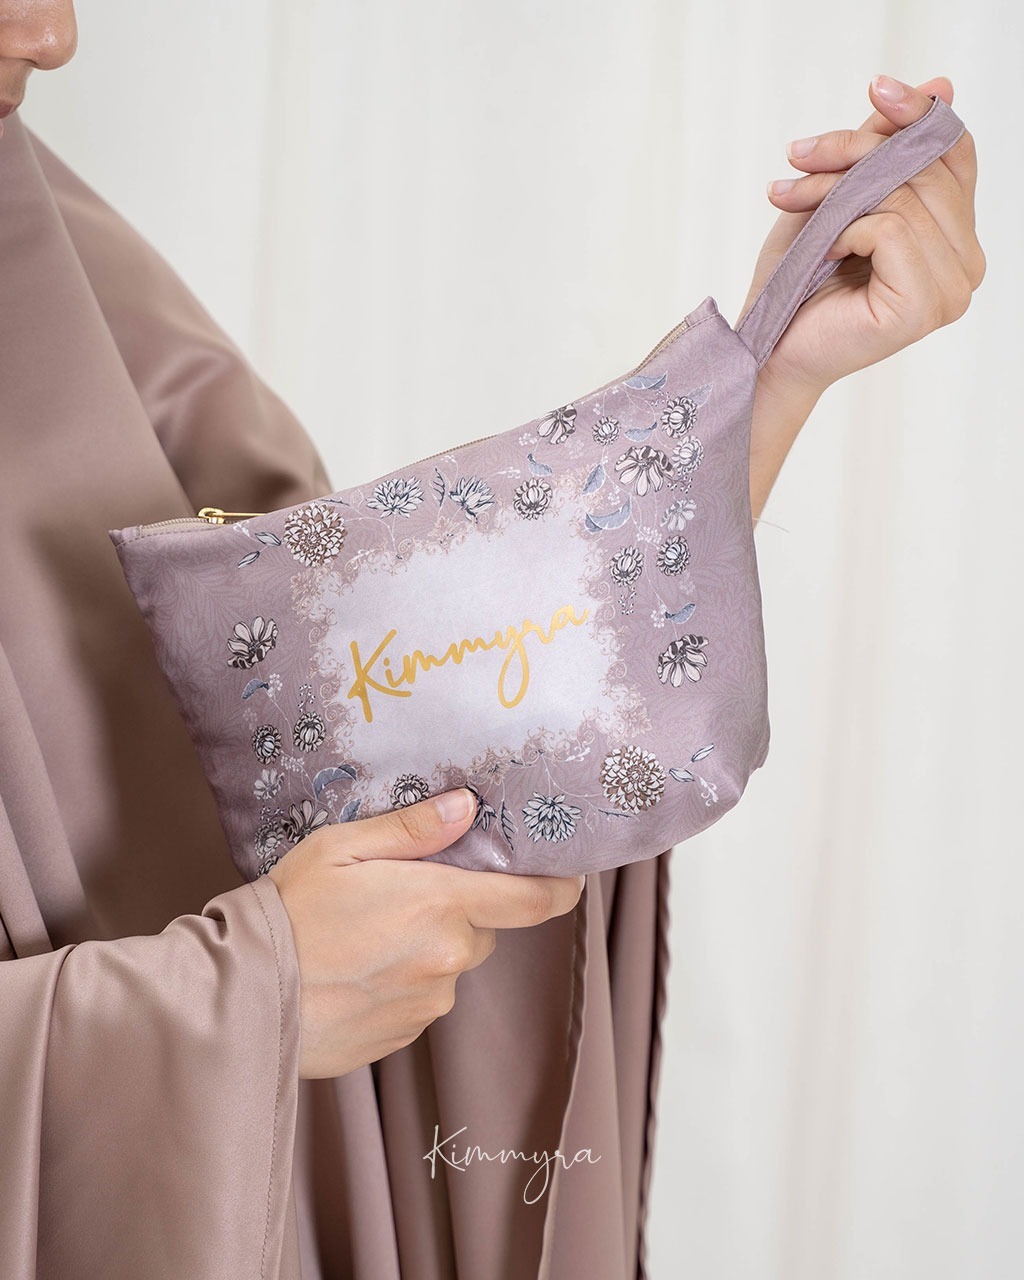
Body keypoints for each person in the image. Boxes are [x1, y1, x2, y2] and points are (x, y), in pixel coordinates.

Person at [0, 0, 984, 1274]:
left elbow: (329, 719)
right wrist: (224, 1007)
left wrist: (757, 386)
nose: (53, 33)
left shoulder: (33, 230)